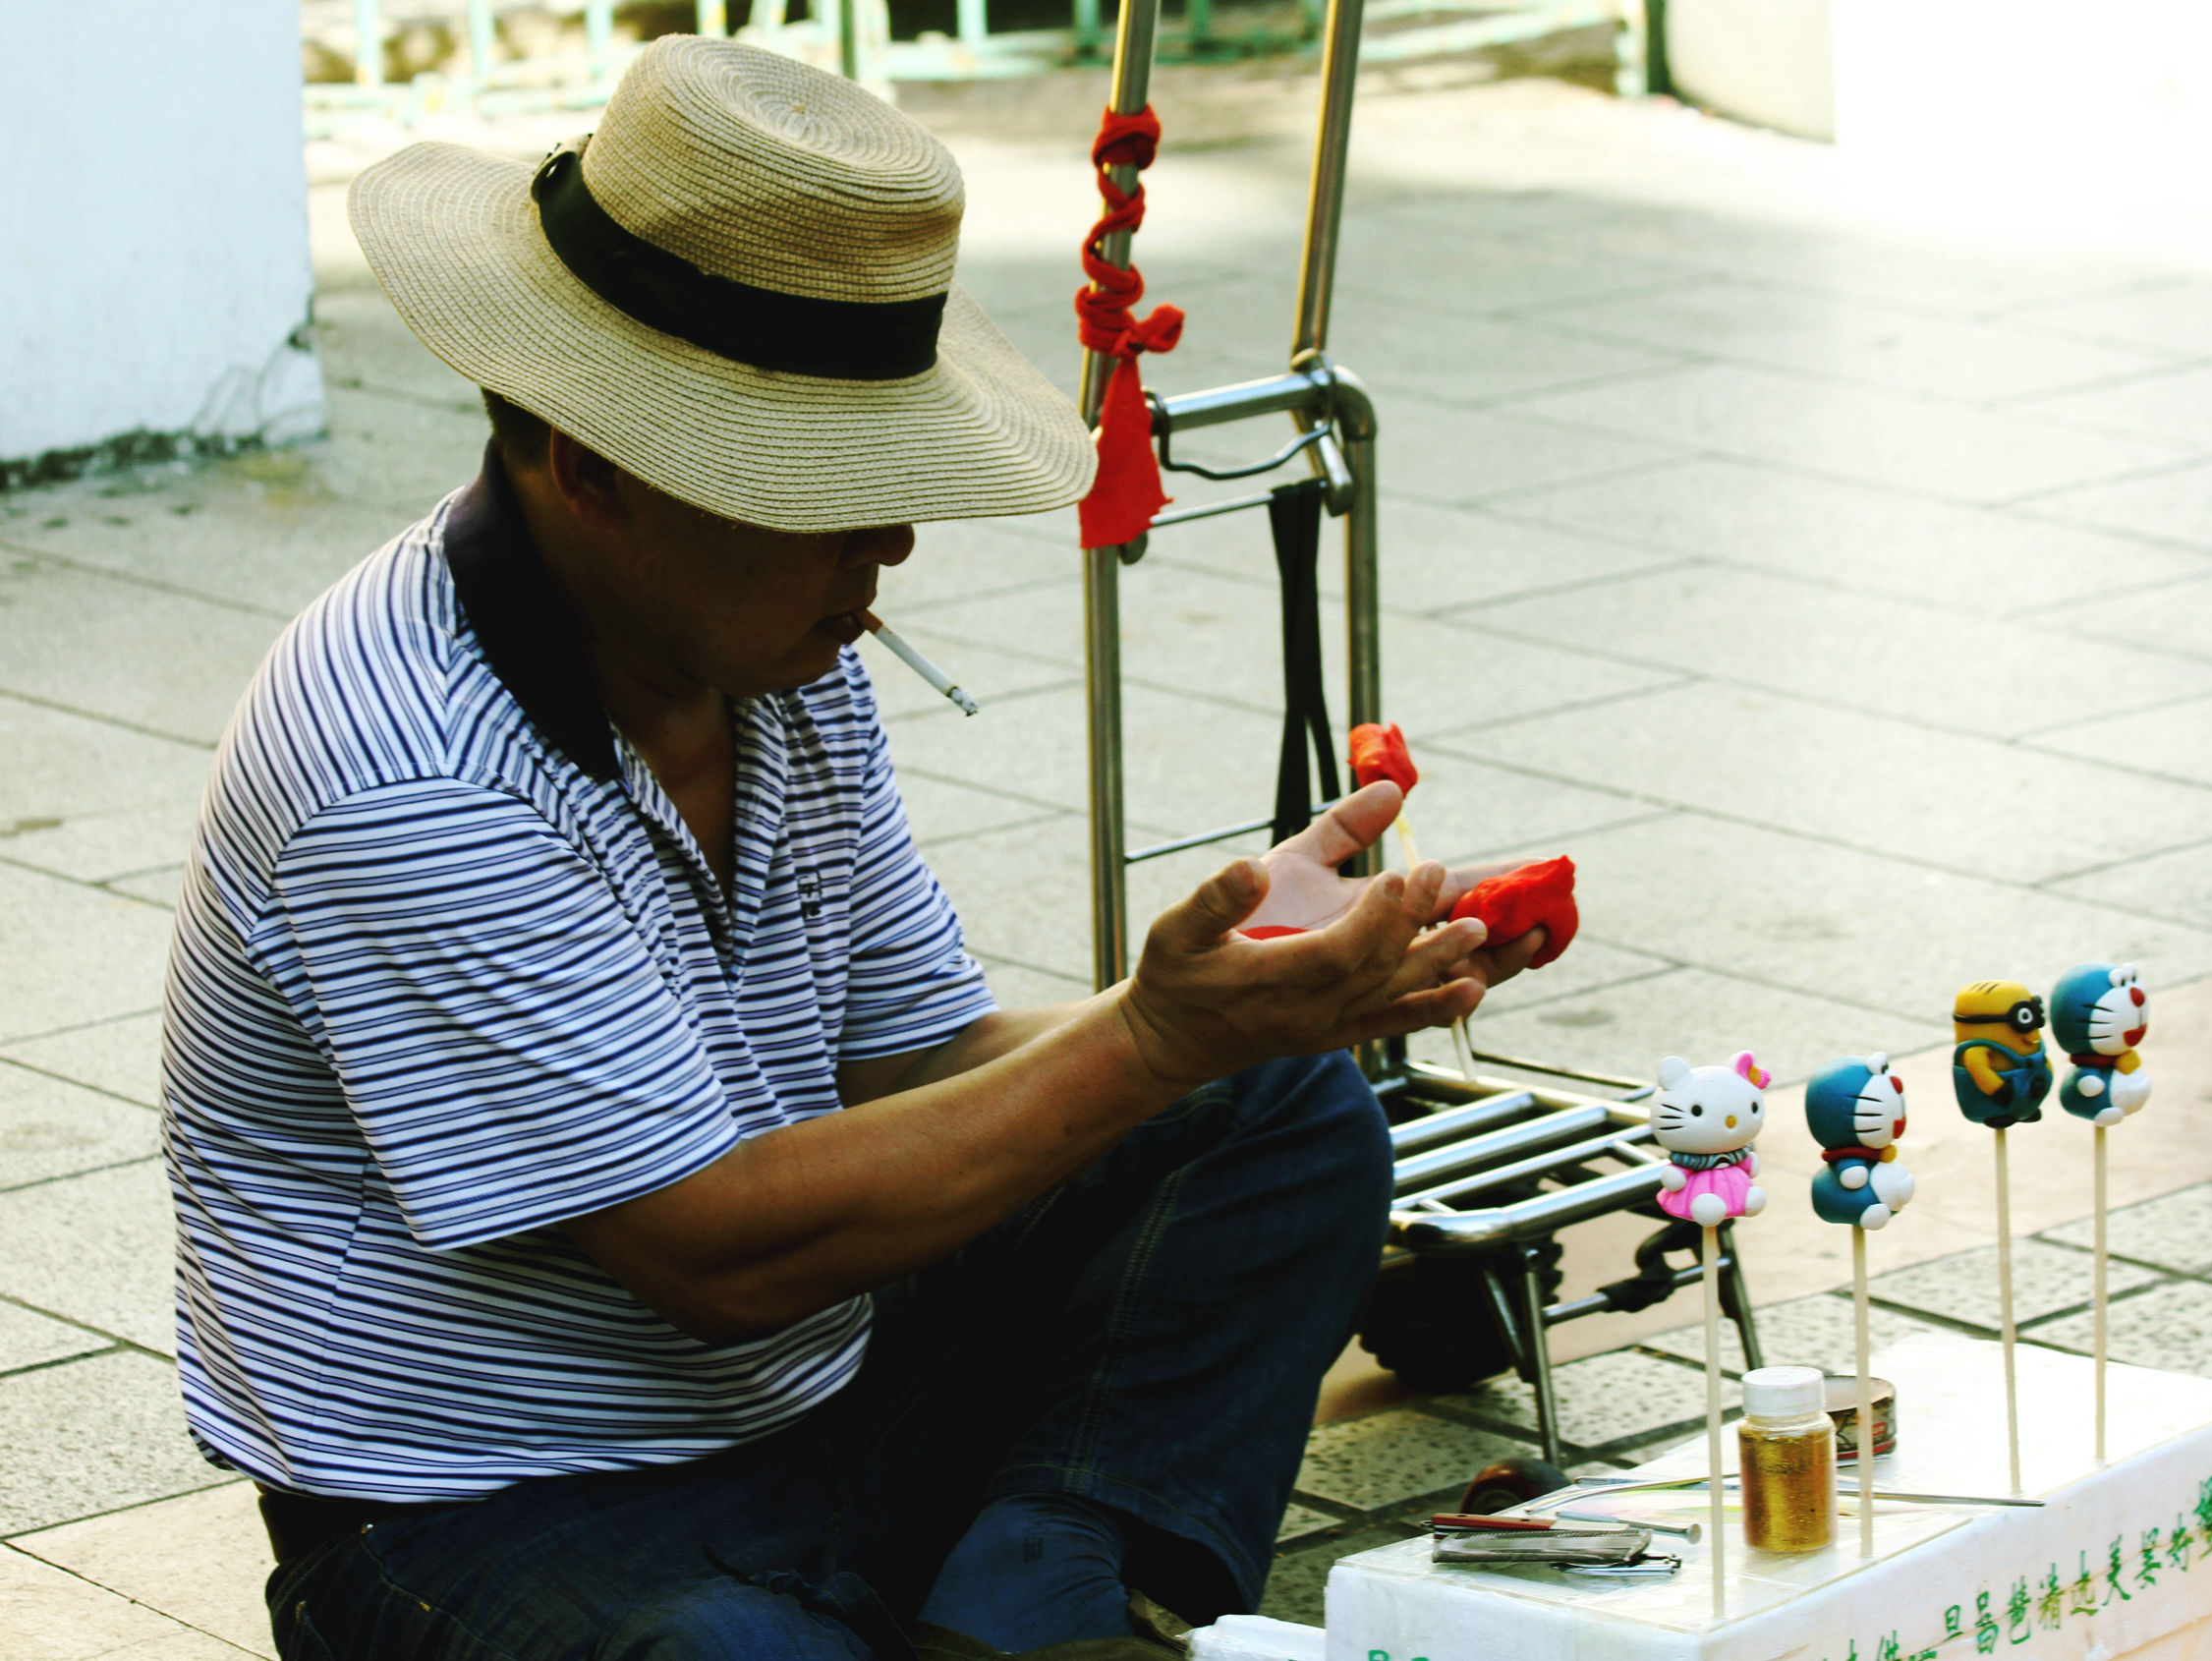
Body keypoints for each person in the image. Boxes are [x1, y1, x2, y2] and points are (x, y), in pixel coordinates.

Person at [161, 37, 1548, 1661]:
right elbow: (720, 1250)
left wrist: (1256, 1003)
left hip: (829, 1389)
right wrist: (1150, 1032)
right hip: (493, 1507)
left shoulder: (769, 650)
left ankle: (1046, 1602)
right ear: (598, 470)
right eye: (824, 492)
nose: (890, 543)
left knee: (1276, 1108)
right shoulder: (402, 765)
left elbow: (918, 1056)